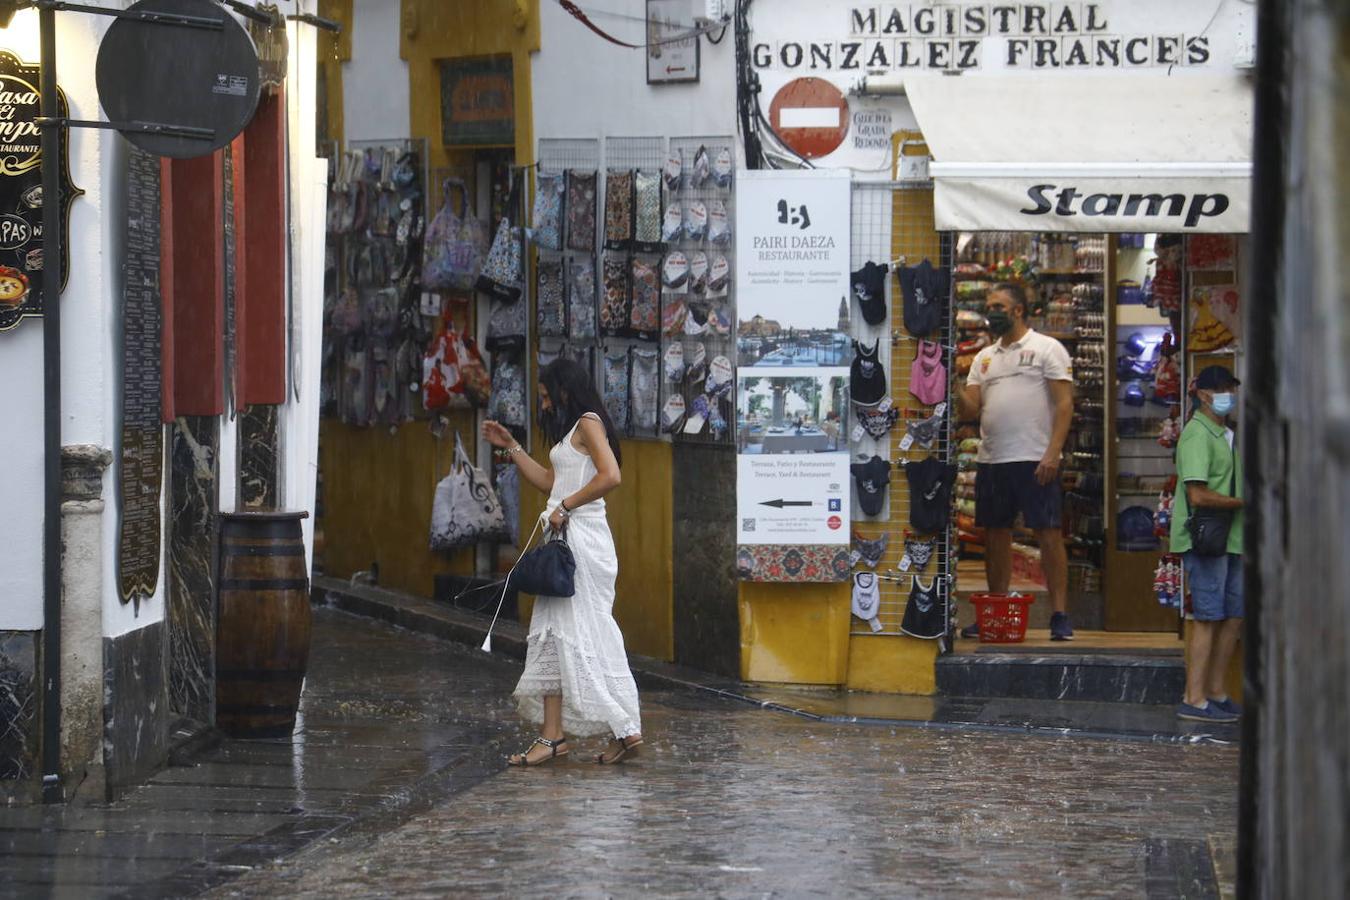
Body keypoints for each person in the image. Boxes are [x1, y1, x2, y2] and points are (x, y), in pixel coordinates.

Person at [481, 358, 644, 765]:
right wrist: (511, 446)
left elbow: (610, 476)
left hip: (582, 541)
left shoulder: (588, 421)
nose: (545, 403)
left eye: (546, 395)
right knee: (554, 633)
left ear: (564, 389)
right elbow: (552, 484)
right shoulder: (573, 431)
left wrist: (567, 507)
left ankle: (623, 727)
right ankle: (555, 736)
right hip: (565, 536)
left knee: (586, 630)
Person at [955, 283, 1076, 640]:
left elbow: (1065, 404)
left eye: (998, 305)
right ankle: (994, 609)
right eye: (989, 304)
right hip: (993, 458)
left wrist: (1053, 452)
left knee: (1048, 533)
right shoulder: (984, 357)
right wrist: (956, 383)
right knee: (995, 535)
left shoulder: (1046, 349)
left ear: (1018, 310)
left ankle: (1059, 614)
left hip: (1036, 457)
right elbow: (971, 409)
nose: (991, 311)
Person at [1170, 365, 1245, 723]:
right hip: (1206, 538)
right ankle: (1194, 697)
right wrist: (1245, 502)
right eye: (1224, 389)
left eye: (1231, 388)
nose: (1229, 395)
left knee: (1232, 616)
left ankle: (1216, 690)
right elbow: (1197, 494)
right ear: (1203, 394)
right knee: (1207, 616)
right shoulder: (1197, 434)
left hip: (1231, 537)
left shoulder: (1224, 434)